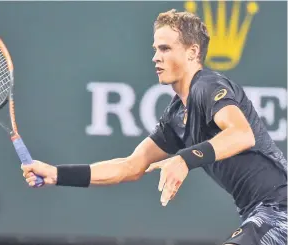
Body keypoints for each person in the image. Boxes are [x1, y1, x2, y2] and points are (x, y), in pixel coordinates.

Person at [21, 9, 287, 245]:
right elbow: (130, 166)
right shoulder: (175, 117)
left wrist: (183, 159)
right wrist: (57, 174)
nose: (155, 58)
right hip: (259, 214)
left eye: (165, 49)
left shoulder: (207, 87)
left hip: (280, 211)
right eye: (155, 49)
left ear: (193, 52)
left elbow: (242, 134)